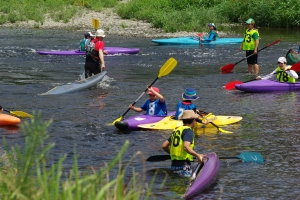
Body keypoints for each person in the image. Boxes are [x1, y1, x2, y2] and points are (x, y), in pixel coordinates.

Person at [161, 110, 208, 178]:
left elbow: (164, 146)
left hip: (173, 166)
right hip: (184, 167)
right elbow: (186, 147)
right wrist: (197, 155)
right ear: (193, 121)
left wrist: (174, 153)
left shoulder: (177, 130)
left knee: (175, 186)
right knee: (186, 185)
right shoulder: (188, 131)